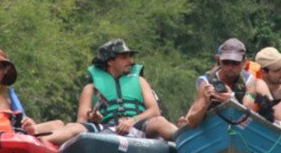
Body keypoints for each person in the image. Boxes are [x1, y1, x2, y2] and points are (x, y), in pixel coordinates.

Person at [41, 38, 178, 144]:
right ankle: (42, 142)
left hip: (138, 126)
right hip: (106, 128)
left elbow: (154, 111)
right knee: (72, 127)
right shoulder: (90, 89)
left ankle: (183, 138)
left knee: (160, 121)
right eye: (124, 57)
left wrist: (131, 121)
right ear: (110, 62)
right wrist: (93, 119)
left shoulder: (140, 81)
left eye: (130, 56)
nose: (130, 61)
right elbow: (81, 121)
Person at [179, 38, 265, 128]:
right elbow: (192, 123)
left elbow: (248, 111)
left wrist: (232, 100)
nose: (230, 67)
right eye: (226, 62)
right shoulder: (206, 82)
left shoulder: (249, 81)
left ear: (244, 62)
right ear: (219, 60)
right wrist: (206, 105)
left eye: (235, 63)